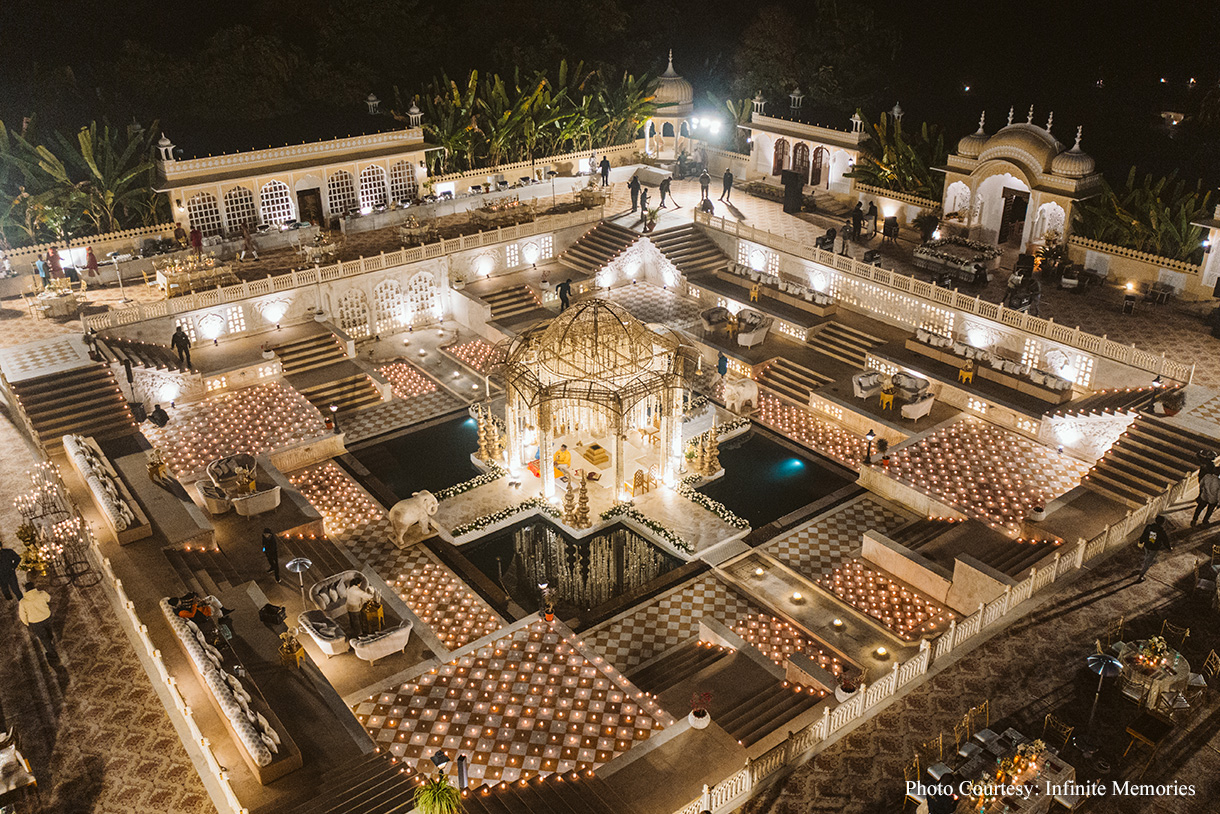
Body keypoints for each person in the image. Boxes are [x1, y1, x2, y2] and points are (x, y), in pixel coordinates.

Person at [19, 580, 56, 658]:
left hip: (35, 622)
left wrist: (27, 623)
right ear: (34, 587)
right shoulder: (42, 593)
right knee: (49, 629)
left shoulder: (23, 602)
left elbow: (22, 615)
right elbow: (49, 598)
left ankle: (52, 653)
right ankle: (51, 638)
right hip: (47, 617)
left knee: (43, 638)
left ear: (26, 590)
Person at [1135, 514, 1172, 582]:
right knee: (1148, 562)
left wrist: (1141, 541)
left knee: (1146, 556)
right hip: (1154, 548)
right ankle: (1141, 575)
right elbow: (1165, 540)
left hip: (1147, 545)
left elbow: (1144, 534)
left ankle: (1144, 566)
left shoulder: (1149, 527)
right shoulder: (1161, 531)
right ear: (1162, 523)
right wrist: (1169, 548)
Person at [1192, 454, 1219, 526]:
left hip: (1205, 496)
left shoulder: (1207, 476)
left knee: (1199, 508)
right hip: (1213, 499)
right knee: (1209, 511)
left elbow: (1201, 484)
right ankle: (1205, 521)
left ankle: (1194, 520)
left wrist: (1202, 492)